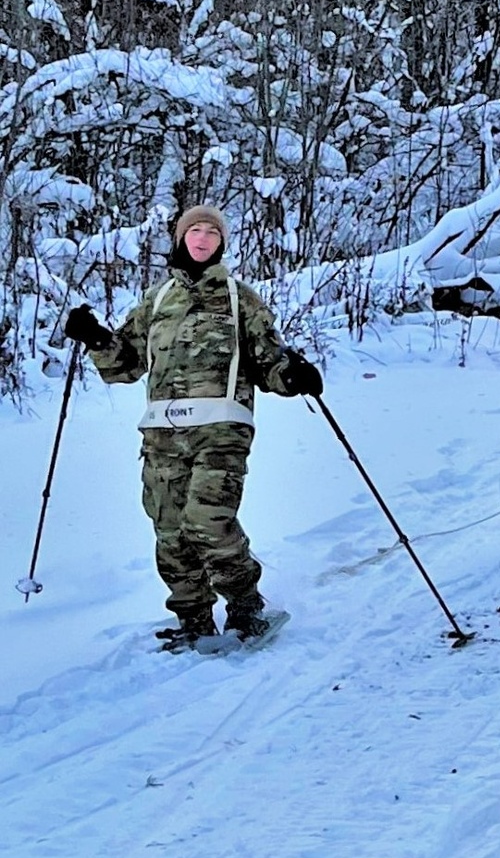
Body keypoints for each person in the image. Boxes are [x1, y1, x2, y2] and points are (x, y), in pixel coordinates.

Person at [64, 205, 323, 650]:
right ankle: (193, 620)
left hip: (222, 429)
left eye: (211, 232)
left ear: (221, 242)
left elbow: (268, 362)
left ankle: (247, 607)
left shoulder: (241, 299)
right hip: (163, 433)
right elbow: (126, 364)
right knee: (169, 528)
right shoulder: (158, 299)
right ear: (181, 238)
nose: (202, 239)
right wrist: (96, 338)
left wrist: (292, 374)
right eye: (194, 231)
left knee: (206, 519)